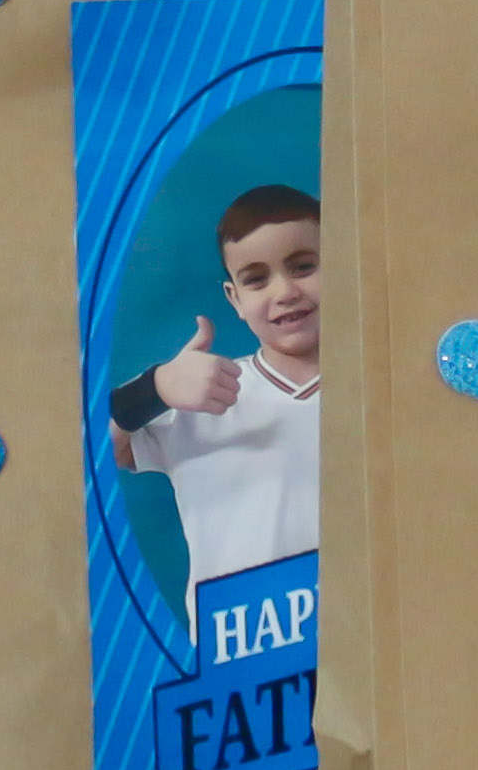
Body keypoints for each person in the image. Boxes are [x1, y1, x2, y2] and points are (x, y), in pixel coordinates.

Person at [108, 181, 323, 592]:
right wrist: (154, 389)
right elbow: (76, 453)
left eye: (303, 267)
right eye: (257, 279)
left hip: (372, 626)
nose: (285, 292)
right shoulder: (196, 397)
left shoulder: (386, 392)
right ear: (235, 298)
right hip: (239, 628)